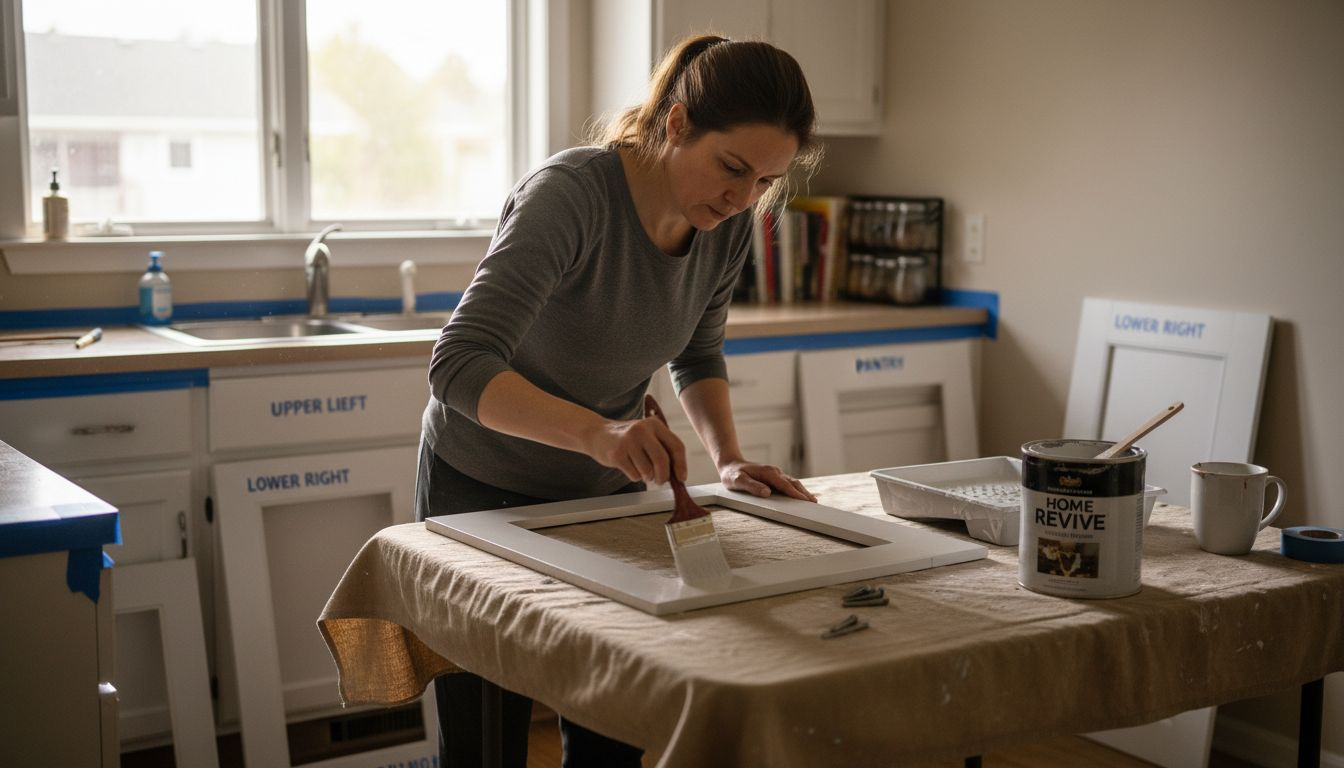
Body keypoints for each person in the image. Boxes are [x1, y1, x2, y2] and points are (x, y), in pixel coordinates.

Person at [416, 32, 821, 768]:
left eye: (764, 182)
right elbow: (460, 363)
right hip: (477, 484)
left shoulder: (723, 227)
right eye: (732, 168)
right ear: (675, 125)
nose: (741, 199)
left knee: (611, 726)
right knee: (484, 746)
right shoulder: (571, 197)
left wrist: (727, 459)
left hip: (601, 498)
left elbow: (697, 353)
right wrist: (602, 433)